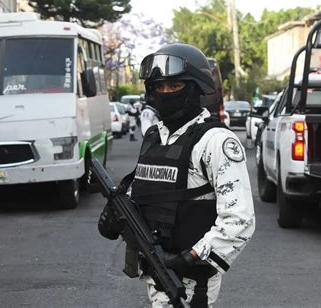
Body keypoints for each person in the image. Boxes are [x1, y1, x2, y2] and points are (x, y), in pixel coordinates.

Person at [100, 43, 255, 307]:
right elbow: (149, 190)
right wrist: (118, 211)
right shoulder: (153, 137)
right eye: (159, 87)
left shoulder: (215, 141)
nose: (165, 93)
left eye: (175, 86)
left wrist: (189, 258)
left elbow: (240, 220)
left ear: (195, 88)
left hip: (192, 278)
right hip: (154, 269)